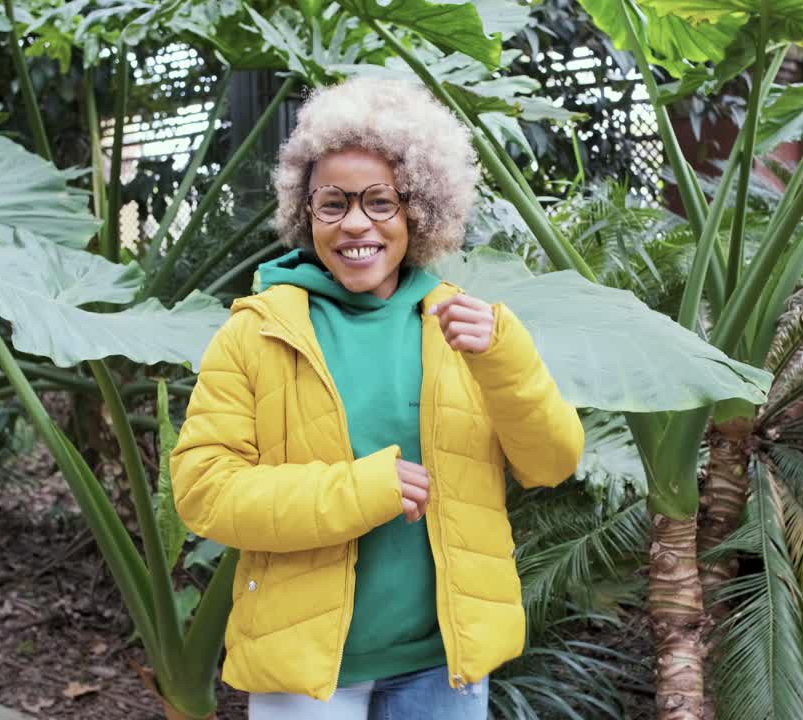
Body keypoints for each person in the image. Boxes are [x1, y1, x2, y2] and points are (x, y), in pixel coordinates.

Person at [170, 76, 584, 720]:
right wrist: (361, 493)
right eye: (332, 203)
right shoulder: (257, 331)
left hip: (441, 665)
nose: (356, 223)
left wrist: (505, 360)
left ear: (416, 209)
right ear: (305, 213)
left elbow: (552, 462)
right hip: (310, 672)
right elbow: (205, 492)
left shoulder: (471, 327)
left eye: (379, 202)